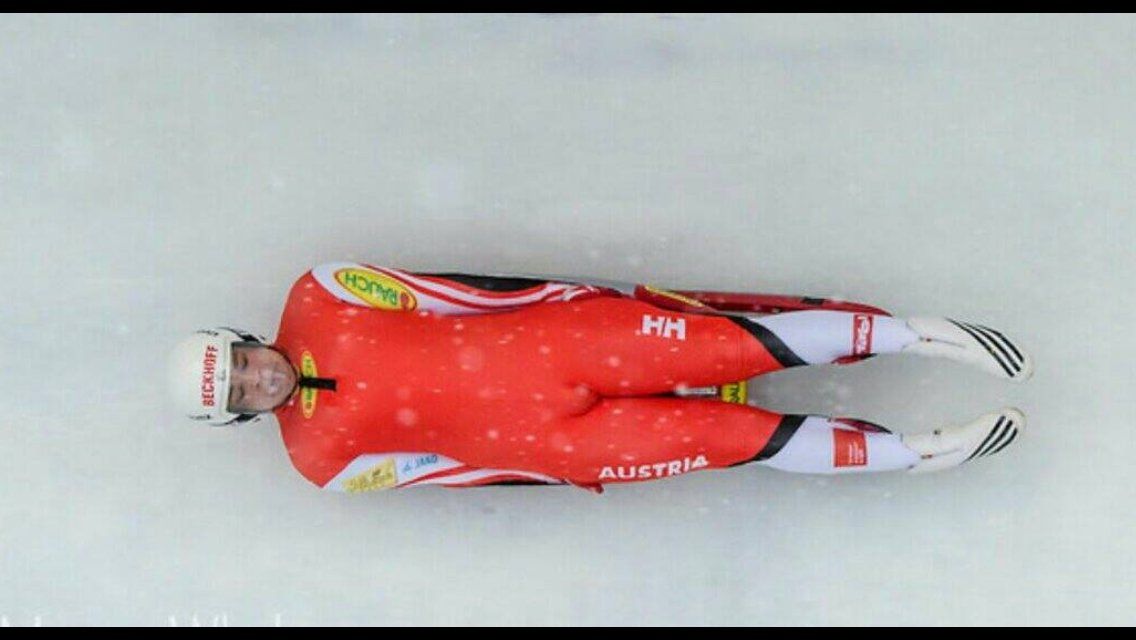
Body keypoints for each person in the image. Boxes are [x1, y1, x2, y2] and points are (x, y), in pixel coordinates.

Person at [168, 263, 1032, 493]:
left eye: (241, 362)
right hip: (557, 442)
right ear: (239, 416)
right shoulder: (318, 461)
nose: (258, 379)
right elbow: (443, 472)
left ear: (243, 340)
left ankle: (923, 336)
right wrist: (543, 469)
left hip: (560, 343)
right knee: (729, 438)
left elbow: (447, 292)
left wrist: (553, 300)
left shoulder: (320, 295)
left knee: (732, 346)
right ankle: (917, 454)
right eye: (240, 392)